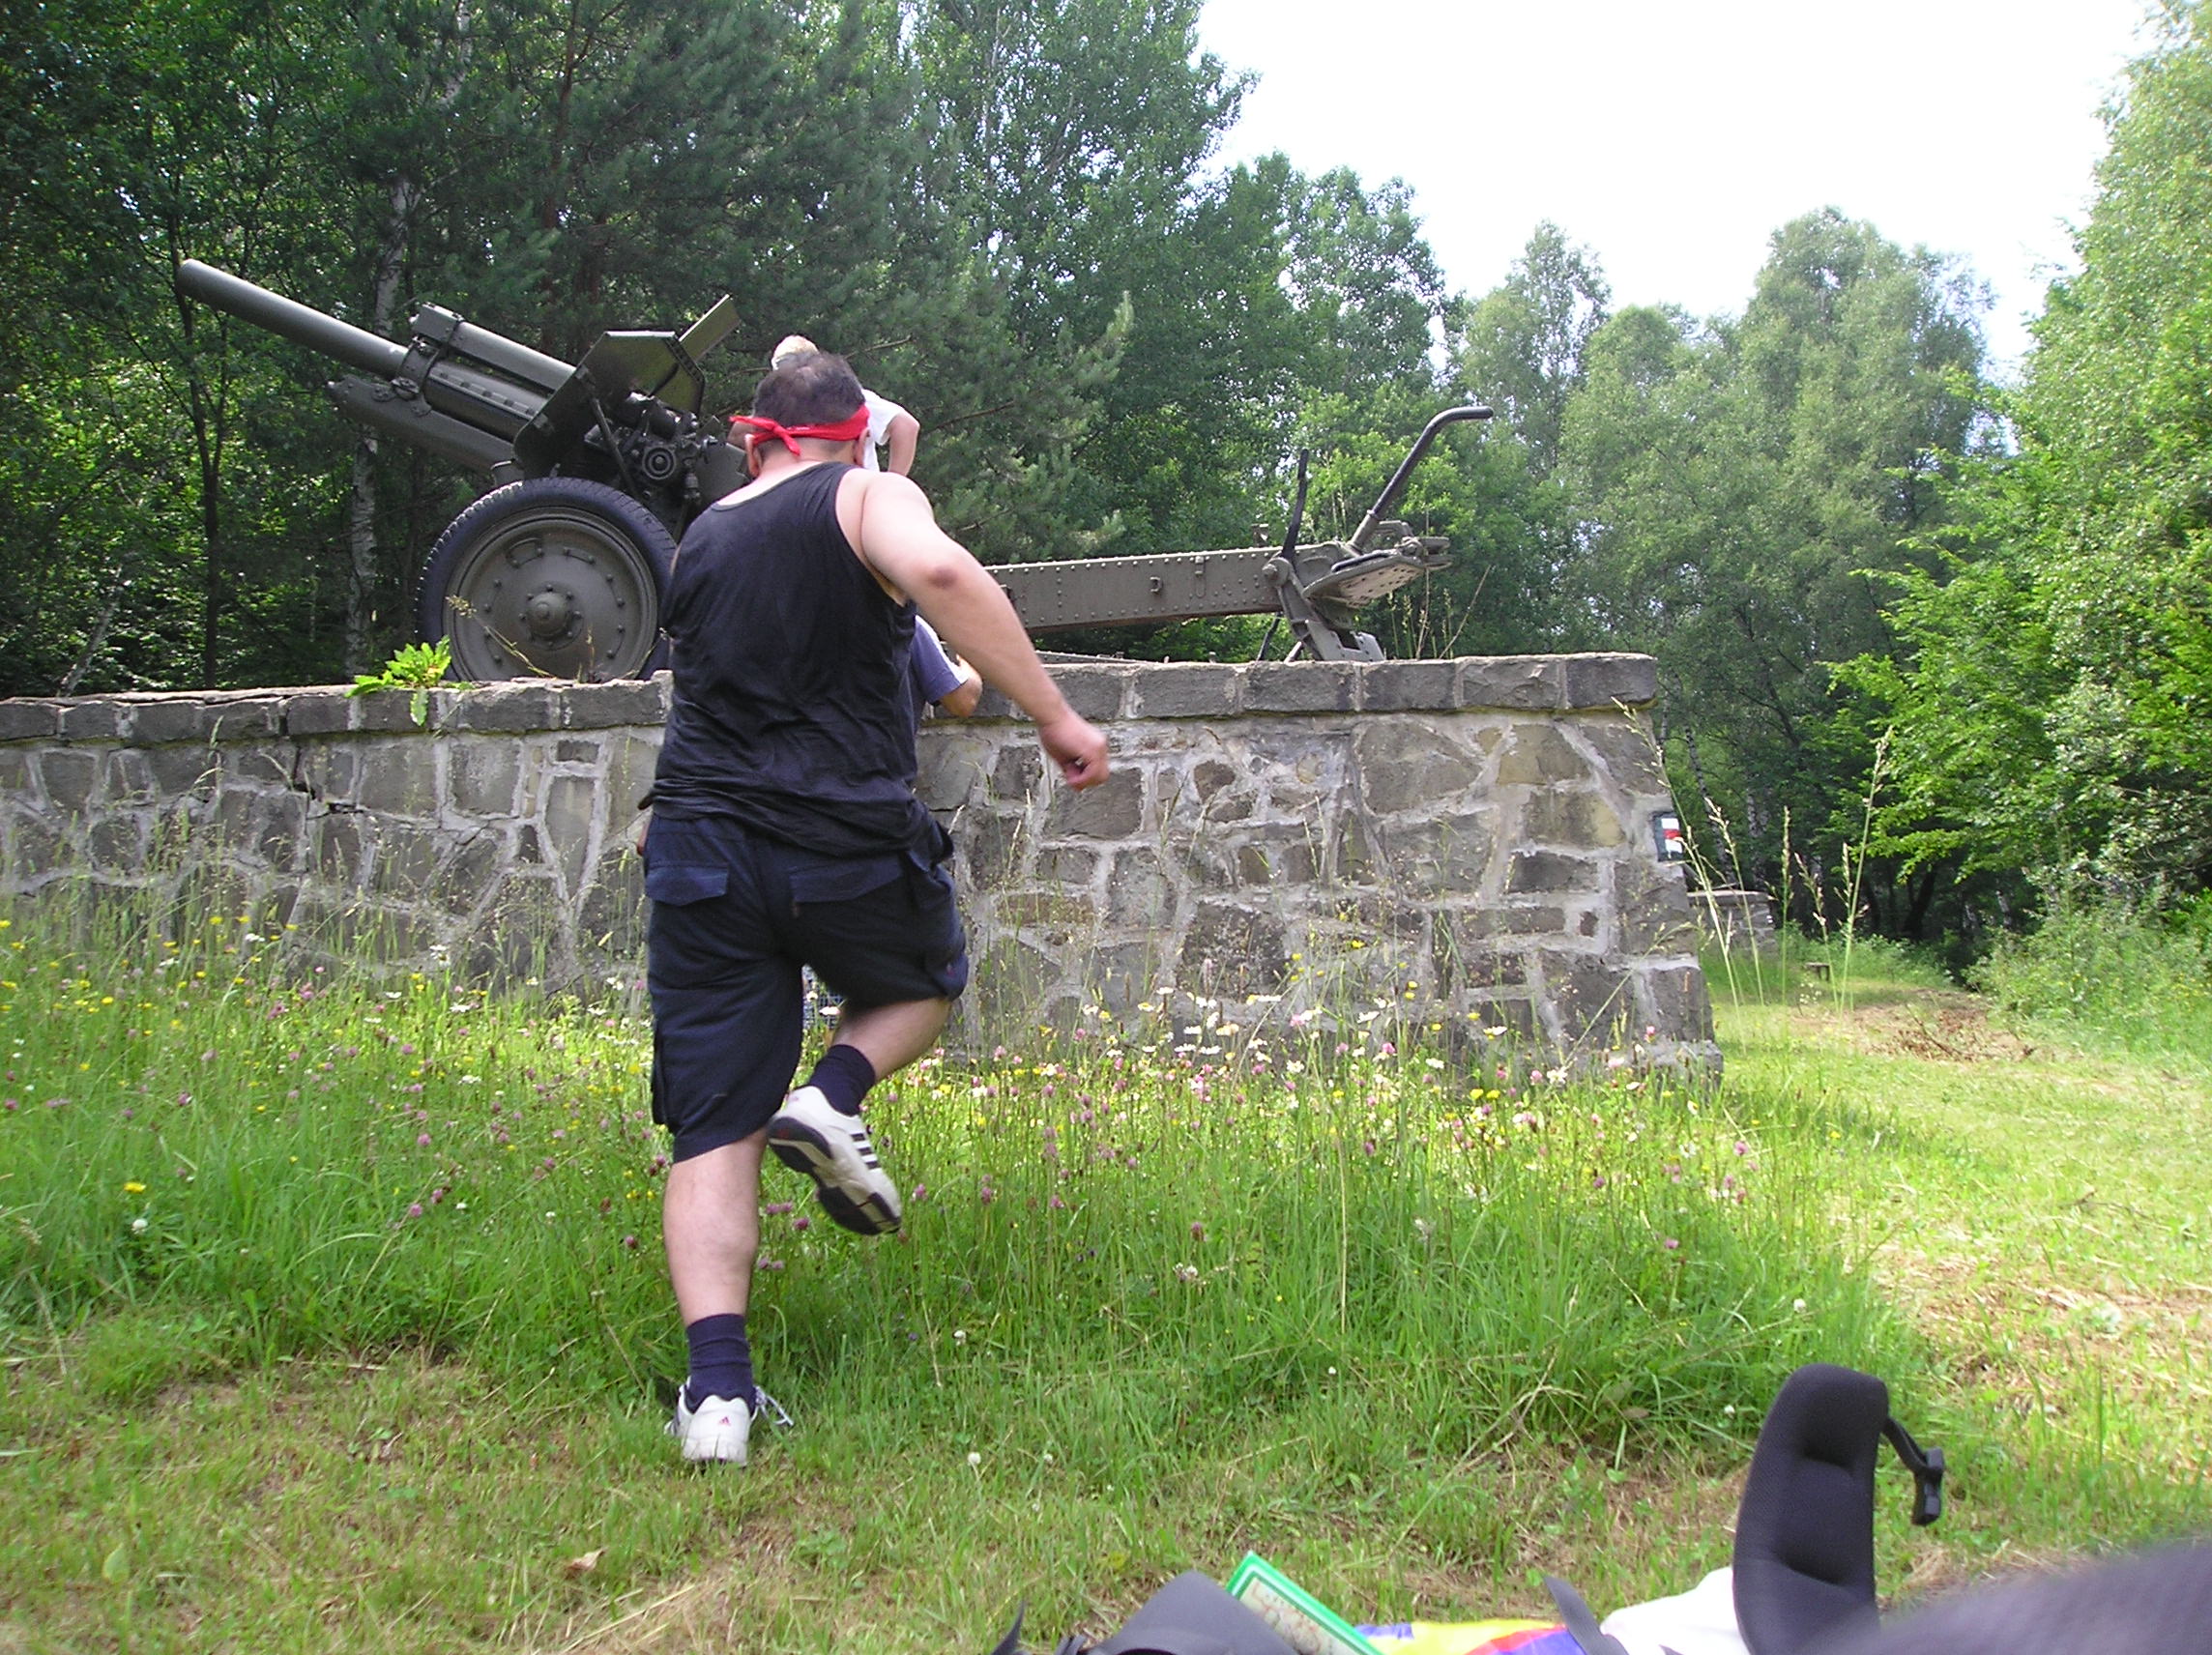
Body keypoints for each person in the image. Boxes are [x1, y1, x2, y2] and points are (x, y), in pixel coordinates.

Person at [645, 349, 1107, 1466]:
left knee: (713, 1124)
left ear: (754, 439)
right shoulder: (861, 493)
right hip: (837, 837)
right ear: (852, 435)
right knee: (922, 984)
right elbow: (936, 569)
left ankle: (717, 1401)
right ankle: (832, 1093)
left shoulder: (701, 537)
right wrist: (1054, 715)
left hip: (699, 847)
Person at [771, 334, 918, 475]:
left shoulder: (850, 398)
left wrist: (893, 480)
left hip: (856, 487)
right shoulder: (779, 408)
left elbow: (906, 426)